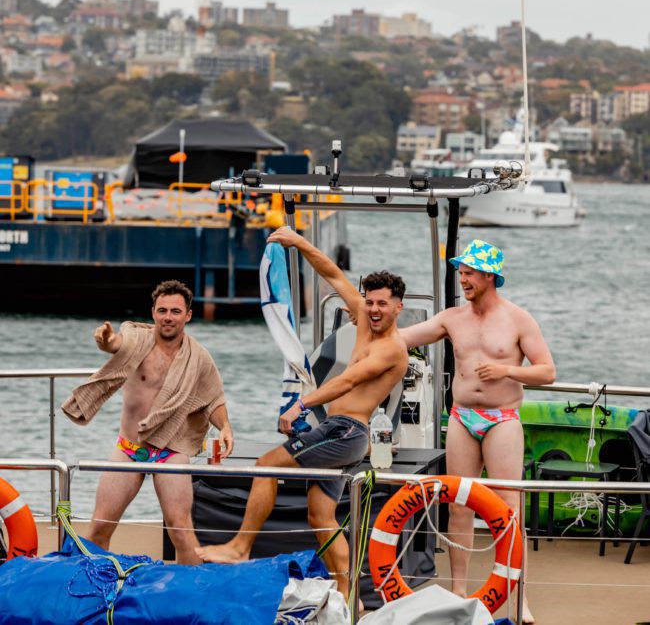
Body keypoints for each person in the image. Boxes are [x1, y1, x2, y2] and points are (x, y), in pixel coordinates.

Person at [196, 226, 409, 600]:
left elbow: (346, 382)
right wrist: (298, 242)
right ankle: (349, 596)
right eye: (370, 302)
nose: (374, 310)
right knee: (320, 517)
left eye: (382, 304)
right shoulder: (362, 318)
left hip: (346, 432)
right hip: (336, 429)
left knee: (266, 465)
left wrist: (300, 404)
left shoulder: (392, 349)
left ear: (398, 307)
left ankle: (239, 547)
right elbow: (330, 272)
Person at [399, 239, 555, 625]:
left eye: (468, 272)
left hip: (502, 419)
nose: (462, 278)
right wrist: (374, 321)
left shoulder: (519, 319)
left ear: (490, 275)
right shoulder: (452, 317)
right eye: (461, 272)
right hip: (462, 418)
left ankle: (519, 597)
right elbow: (404, 337)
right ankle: (458, 592)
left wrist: (507, 371)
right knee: (458, 506)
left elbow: (547, 372)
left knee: (509, 511)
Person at [62, 280, 233, 564]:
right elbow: (115, 343)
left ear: (188, 315)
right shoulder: (137, 339)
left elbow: (213, 398)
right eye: (162, 310)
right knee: (100, 526)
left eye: (176, 311)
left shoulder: (199, 357)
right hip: (130, 448)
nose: (168, 317)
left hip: (170, 450)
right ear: (153, 312)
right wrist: (105, 340)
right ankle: (91, 591)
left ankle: (191, 595)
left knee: (181, 530)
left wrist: (225, 426)